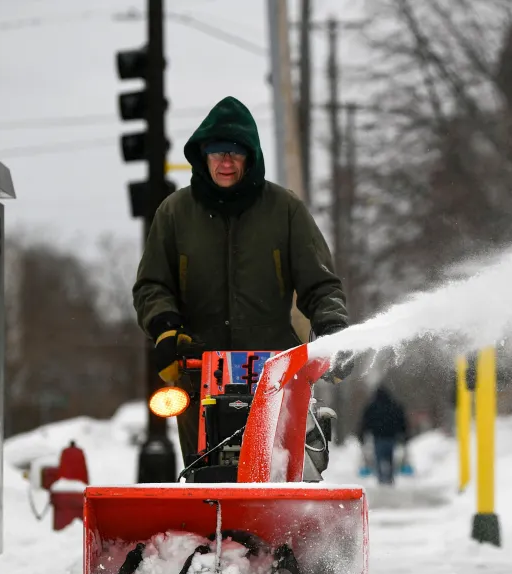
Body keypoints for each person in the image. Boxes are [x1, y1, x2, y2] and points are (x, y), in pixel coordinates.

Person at [132, 96, 349, 460]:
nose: (226, 162)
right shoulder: (175, 214)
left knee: (277, 469)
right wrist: (166, 328)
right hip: (198, 371)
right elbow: (153, 285)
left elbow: (320, 282)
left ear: (251, 156)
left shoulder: (285, 210)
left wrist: (331, 327)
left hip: (274, 372)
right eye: (217, 152)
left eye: (236, 152)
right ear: (203, 156)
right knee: (205, 473)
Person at [358, 386, 409, 485]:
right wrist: (404, 434)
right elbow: (401, 421)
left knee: (379, 458)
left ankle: (381, 478)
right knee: (390, 458)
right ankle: (389, 478)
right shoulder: (394, 405)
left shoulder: (372, 407)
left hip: (378, 437)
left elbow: (365, 422)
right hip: (391, 437)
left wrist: (362, 435)